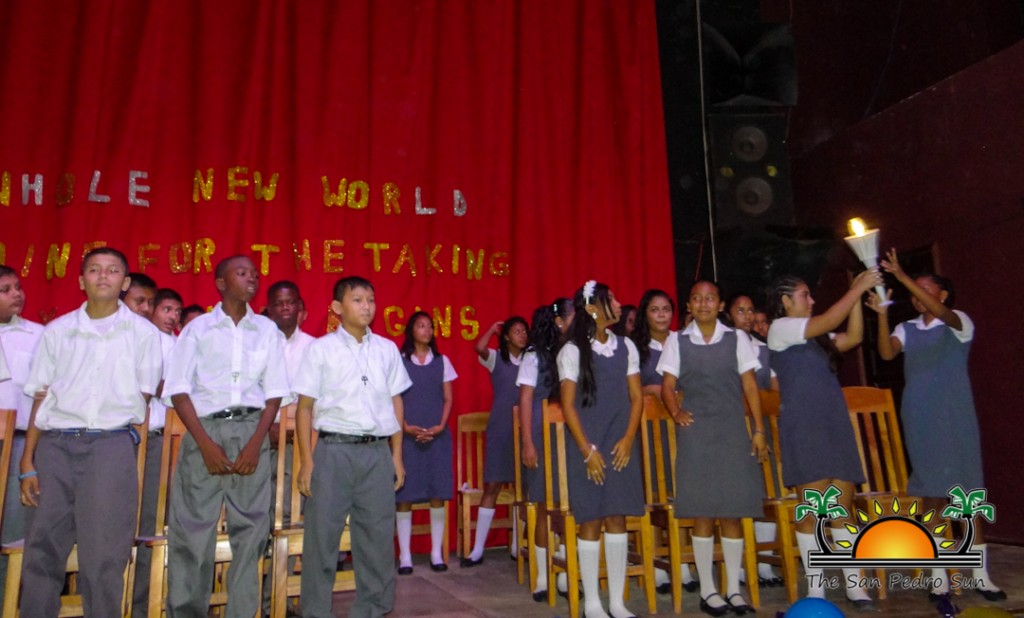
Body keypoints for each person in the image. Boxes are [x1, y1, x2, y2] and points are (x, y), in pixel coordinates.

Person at [18, 248, 162, 616]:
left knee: (104, 553)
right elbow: (40, 399)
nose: (103, 276)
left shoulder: (143, 334)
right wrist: (28, 460)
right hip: (55, 446)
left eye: (112, 270)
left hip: (109, 446)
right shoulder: (58, 331)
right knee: (43, 546)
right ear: (81, 281)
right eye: (94, 270)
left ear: (124, 282)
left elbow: (143, 397)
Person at [869, 249, 1004, 602]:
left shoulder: (958, 322)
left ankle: (981, 576)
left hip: (956, 418)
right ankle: (938, 576)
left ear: (942, 294)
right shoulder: (907, 328)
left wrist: (901, 276)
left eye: (924, 289)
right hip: (920, 419)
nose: (917, 296)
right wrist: (881, 316)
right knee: (931, 497)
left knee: (967, 497)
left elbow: (943, 313)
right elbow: (886, 352)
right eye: (913, 292)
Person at [162, 255, 289, 618]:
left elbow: (274, 393)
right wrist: (204, 444)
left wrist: (255, 445)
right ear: (220, 283)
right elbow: (178, 390)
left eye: (255, 274)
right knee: (191, 532)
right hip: (204, 432)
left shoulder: (267, 330)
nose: (252, 278)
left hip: (251, 430)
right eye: (242, 273)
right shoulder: (198, 329)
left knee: (252, 533)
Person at [294, 275, 412, 618]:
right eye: (357, 300)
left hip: (376, 452)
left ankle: (372, 609)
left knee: (377, 536)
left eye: (370, 300)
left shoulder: (387, 349)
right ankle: (316, 611)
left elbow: (396, 402)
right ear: (337, 307)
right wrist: (307, 461)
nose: (366, 306)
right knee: (322, 537)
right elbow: (304, 408)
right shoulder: (321, 349)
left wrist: (397, 455)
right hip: (333, 451)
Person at [766, 270, 882, 611]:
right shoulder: (780, 328)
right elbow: (830, 318)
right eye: (805, 295)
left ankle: (855, 587)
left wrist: (857, 297)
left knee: (842, 507)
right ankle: (816, 589)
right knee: (813, 510)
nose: (811, 300)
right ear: (786, 301)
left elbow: (853, 336)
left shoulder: (817, 337)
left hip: (834, 424)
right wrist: (856, 288)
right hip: (805, 426)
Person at [659, 281, 767, 616]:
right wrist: (676, 413)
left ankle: (733, 589)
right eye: (697, 298)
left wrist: (758, 429)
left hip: (732, 431)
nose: (703, 303)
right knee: (703, 511)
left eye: (710, 298)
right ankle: (708, 590)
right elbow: (667, 385)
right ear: (689, 305)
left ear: (720, 305)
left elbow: (750, 385)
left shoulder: (736, 338)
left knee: (733, 511)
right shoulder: (677, 341)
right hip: (697, 435)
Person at [558, 281, 644, 618]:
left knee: (617, 515)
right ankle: (592, 602)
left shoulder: (626, 347)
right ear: (593, 309)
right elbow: (568, 405)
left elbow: (636, 398)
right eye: (611, 300)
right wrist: (587, 451)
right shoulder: (572, 351)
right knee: (591, 518)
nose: (619, 304)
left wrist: (628, 438)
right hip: (588, 444)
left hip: (620, 443)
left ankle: (617, 602)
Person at [725, 292, 782, 590]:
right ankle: (739, 565)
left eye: (750, 311)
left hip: (762, 427)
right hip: (733, 427)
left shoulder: (763, 348)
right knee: (738, 493)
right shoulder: (724, 344)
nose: (747, 316)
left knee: (766, 489)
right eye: (740, 310)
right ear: (729, 314)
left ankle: (765, 563)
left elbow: (774, 388)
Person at [461, 315, 529, 567]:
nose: (522, 335)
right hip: (501, 428)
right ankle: (478, 549)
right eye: (517, 331)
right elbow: (478, 348)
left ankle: (517, 546)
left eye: (524, 331)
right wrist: (491, 329)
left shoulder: (531, 360)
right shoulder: (496, 358)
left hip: (525, 429)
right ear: (507, 336)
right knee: (492, 486)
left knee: (523, 488)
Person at [518, 297, 574, 601]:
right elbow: (526, 399)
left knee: (568, 506)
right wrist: (528, 442)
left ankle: (565, 572)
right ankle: (542, 575)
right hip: (542, 435)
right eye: (573, 315)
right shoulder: (533, 356)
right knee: (543, 504)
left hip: (570, 435)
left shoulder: (574, 351)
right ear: (558, 321)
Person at [132, 287, 183, 617]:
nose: (173, 317)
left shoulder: (178, 343)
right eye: (166, 309)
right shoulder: (141, 338)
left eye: (177, 311)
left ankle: (148, 601)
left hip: (164, 440)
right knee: (130, 520)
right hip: (135, 437)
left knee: (156, 520)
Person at [394, 311, 457, 573]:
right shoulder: (400, 361)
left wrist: (440, 426)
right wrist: (405, 427)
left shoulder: (442, 361)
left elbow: (448, 398)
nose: (427, 330)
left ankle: (436, 554)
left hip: (437, 436)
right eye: (421, 326)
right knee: (404, 494)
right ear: (411, 330)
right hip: (406, 436)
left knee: (437, 493)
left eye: (430, 326)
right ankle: (405, 556)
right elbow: (393, 398)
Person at [0, 266, 44, 608]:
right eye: (6, 289)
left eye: (18, 287)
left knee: (14, 534)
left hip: (19, 444)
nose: (17, 294)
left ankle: (7, 604)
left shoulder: (38, 335)